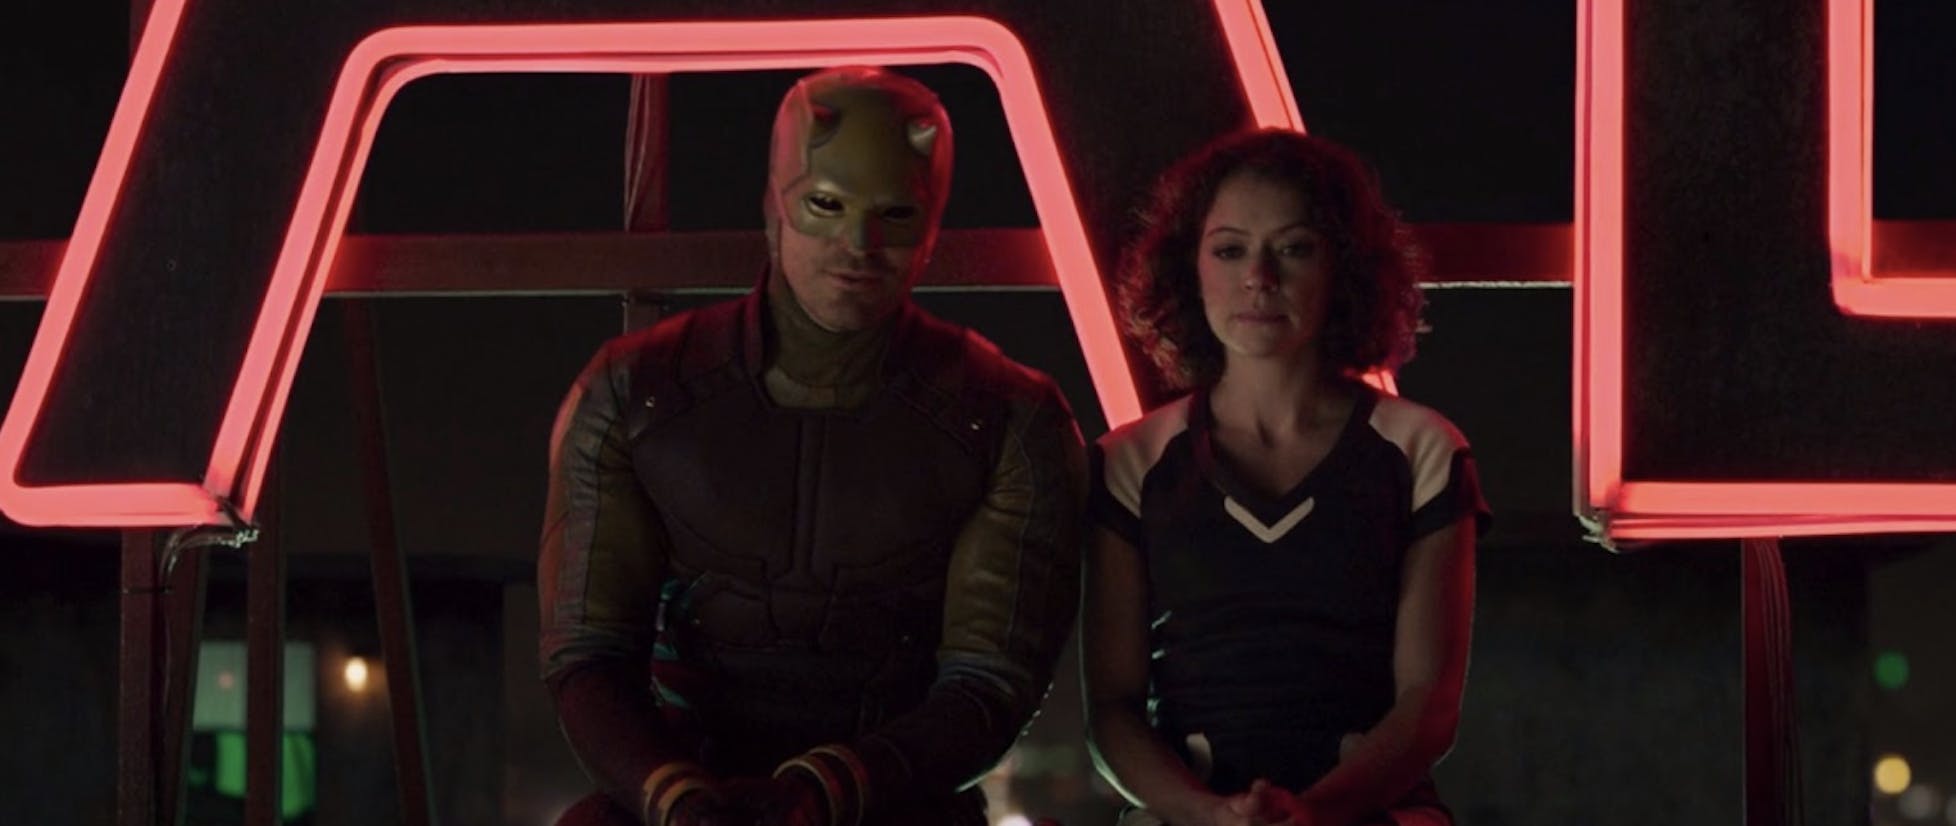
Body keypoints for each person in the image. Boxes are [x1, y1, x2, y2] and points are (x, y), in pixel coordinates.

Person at [538, 66, 1087, 826]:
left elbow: (991, 685)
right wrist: (673, 793)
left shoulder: (1009, 418)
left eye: (895, 214)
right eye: (825, 205)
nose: (857, 244)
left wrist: (824, 792)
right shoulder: (632, 392)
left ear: (931, 228)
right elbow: (587, 652)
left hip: (890, 808)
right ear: (775, 207)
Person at [1082, 129, 1487, 826]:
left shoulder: (1423, 450)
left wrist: (1315, 812)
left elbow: (1429, 704)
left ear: (1343, 267)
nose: (1260, 278)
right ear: (1189, 266)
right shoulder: (1130, 462)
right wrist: (1211, 815)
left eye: (1294, 249)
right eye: (1229, 250)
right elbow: (1111, 708)